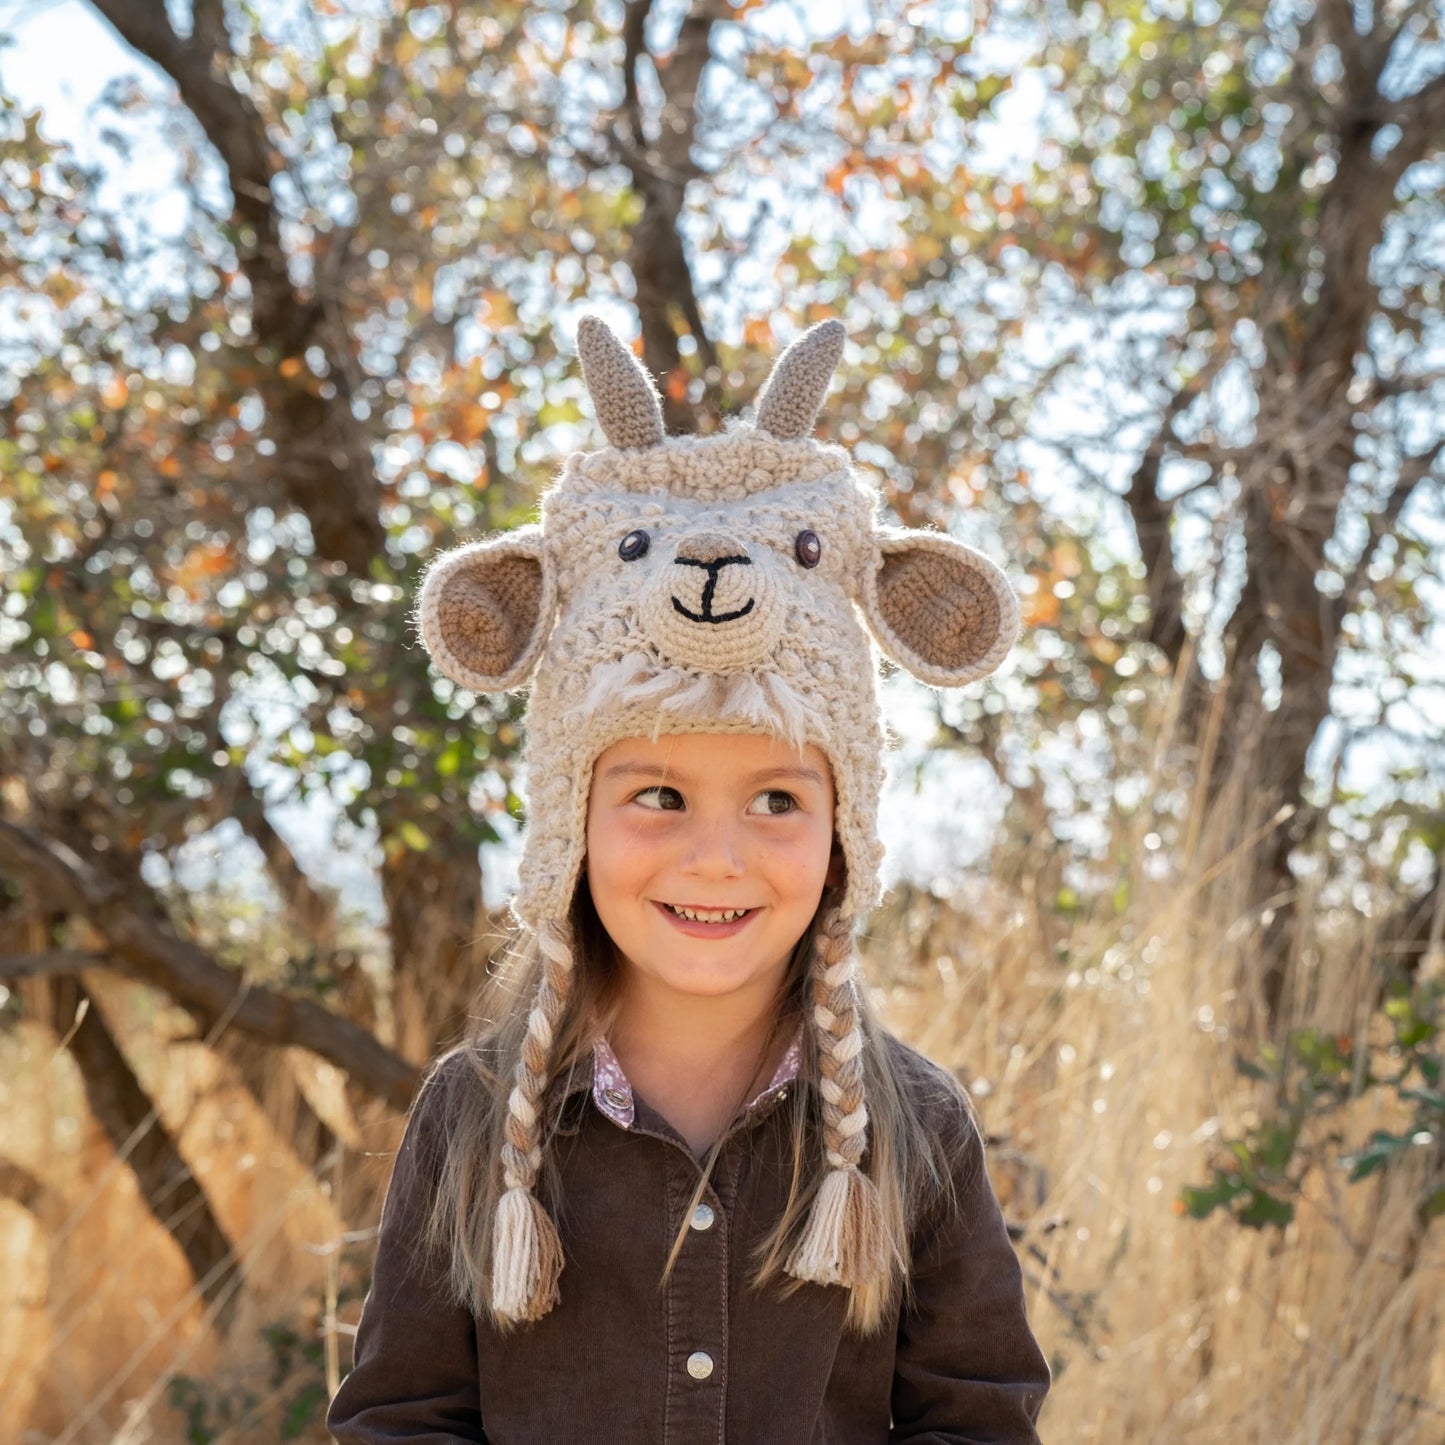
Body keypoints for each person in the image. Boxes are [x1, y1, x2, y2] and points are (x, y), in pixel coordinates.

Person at [326, 315, 1051, 1443]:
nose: (715, 857)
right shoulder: (473, 1120)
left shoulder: (918, 1130)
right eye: (656, 795)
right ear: (569, 820)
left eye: (775, 800)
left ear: (843, 836)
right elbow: (402, 1415)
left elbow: (976, 1417)